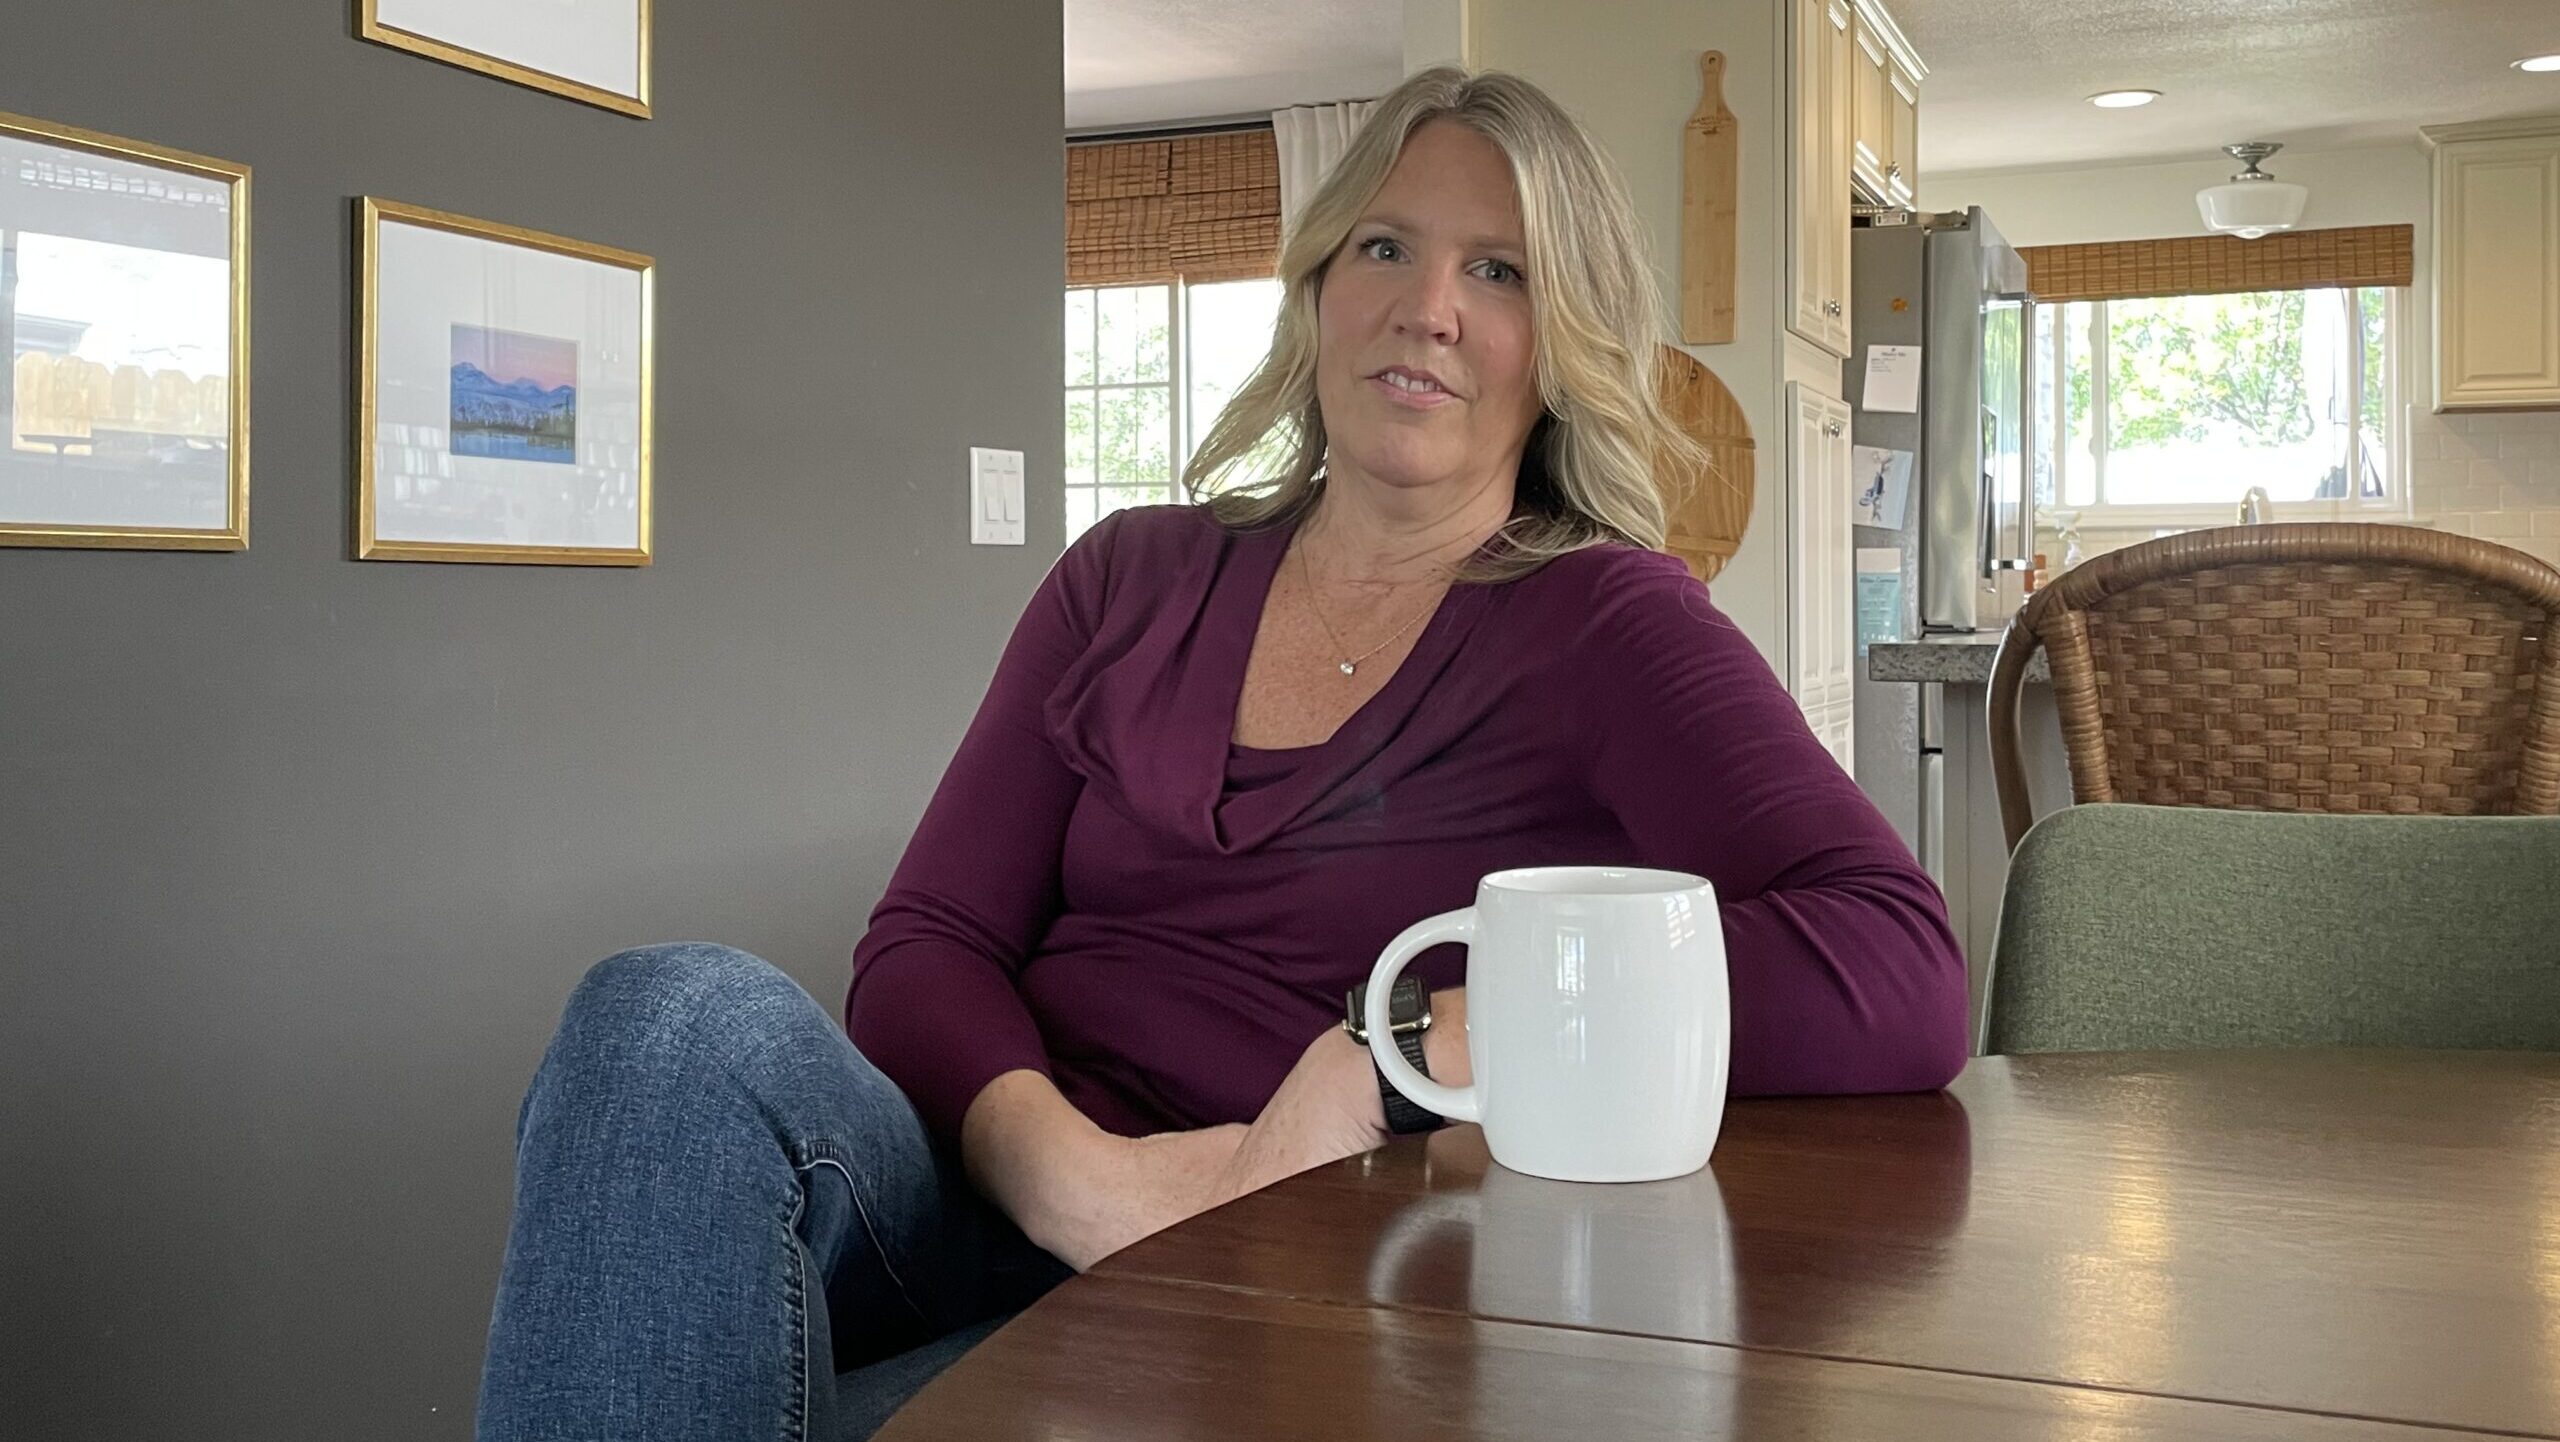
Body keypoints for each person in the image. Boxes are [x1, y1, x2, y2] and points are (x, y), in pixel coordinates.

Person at [474, 65, 1967, 1442]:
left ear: (1558, 340)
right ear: (1317, 285)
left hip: (1301, 1273)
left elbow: (1901, 968)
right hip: (993, 1191)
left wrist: (1393, 1053)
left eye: (1496, 270)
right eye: (1384, 246)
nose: (1427, 306)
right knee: (664, 1021)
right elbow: (927, 940)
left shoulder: (1608, 623)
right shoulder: (1128, 575)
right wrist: (1071, 1175)